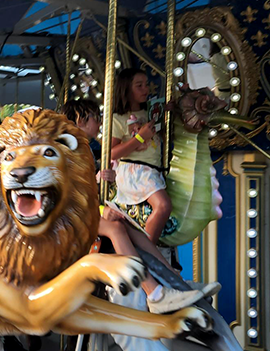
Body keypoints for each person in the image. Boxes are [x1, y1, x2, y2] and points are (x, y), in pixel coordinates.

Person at [61, 99, 220, 313]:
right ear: (80, 120)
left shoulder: (85, 149)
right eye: (95, 118)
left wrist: (98, 178)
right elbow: (70, 190)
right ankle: (153, 291)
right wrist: (101, 209)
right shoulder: (68, 151)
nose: (99, 123)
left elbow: (85, 184)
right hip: (75, 213)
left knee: (135, 229)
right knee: (117, 227)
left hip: (88, 209)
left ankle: (175, 280)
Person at [110, 68, 171, 246]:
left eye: (146, 85)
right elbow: (111, 153)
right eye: (139, 86)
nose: (145, 89)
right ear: (127, 89)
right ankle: (148, 253)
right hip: (135, 170)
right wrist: (139, 138)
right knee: (163, 206)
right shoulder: (118, 118)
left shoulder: (152, 113)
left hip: (153, 170)